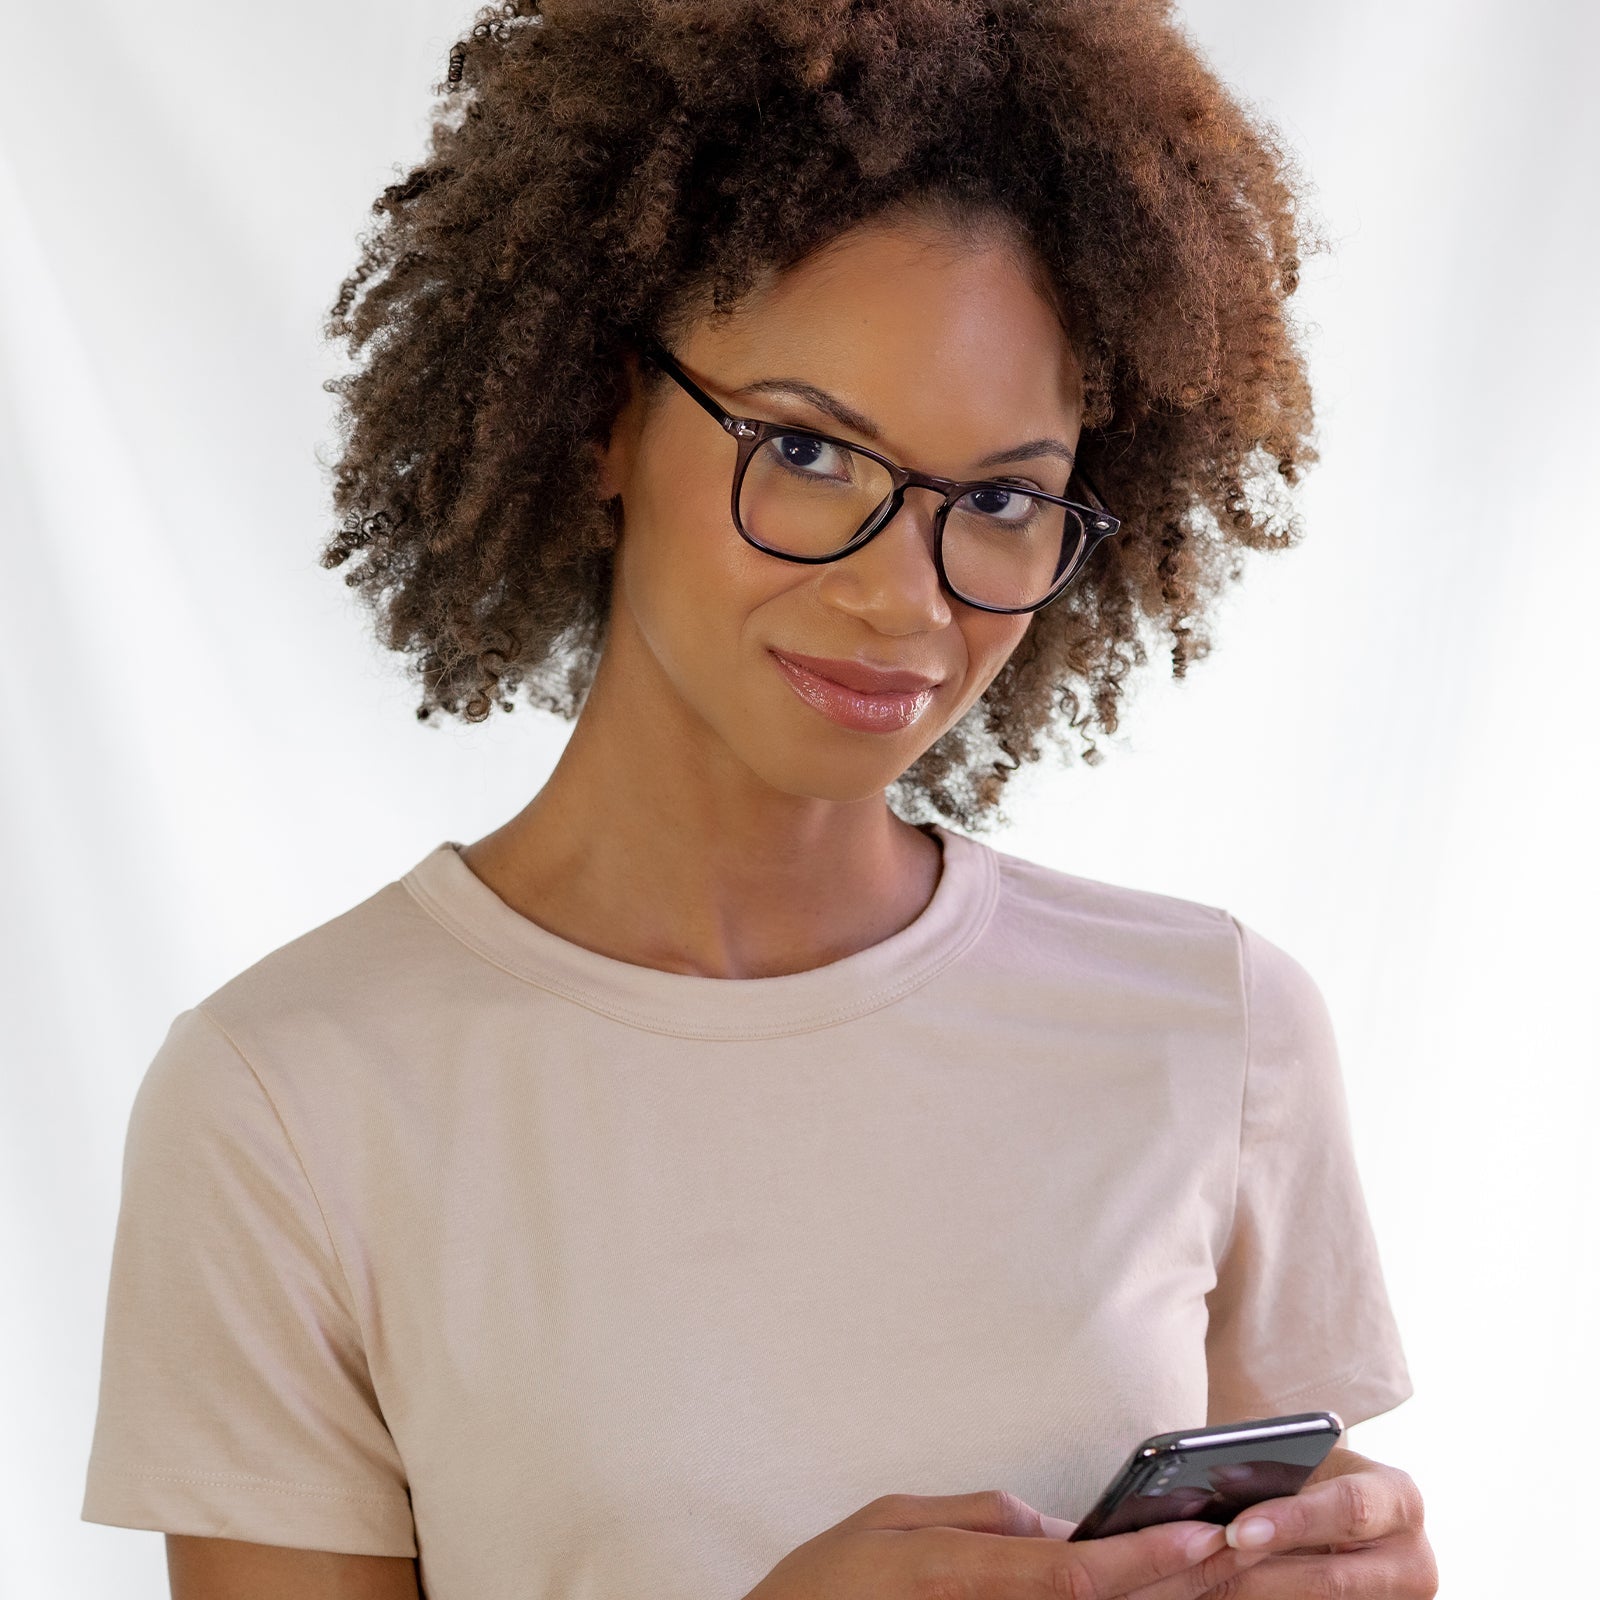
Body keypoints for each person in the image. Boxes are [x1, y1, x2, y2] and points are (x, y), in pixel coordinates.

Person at [80, 2, 1438, 1597]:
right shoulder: (288, 1100)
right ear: (599, 416)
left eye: (1000, 498)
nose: (905, 601)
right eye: (805, 452)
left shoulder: (1216, 1032)